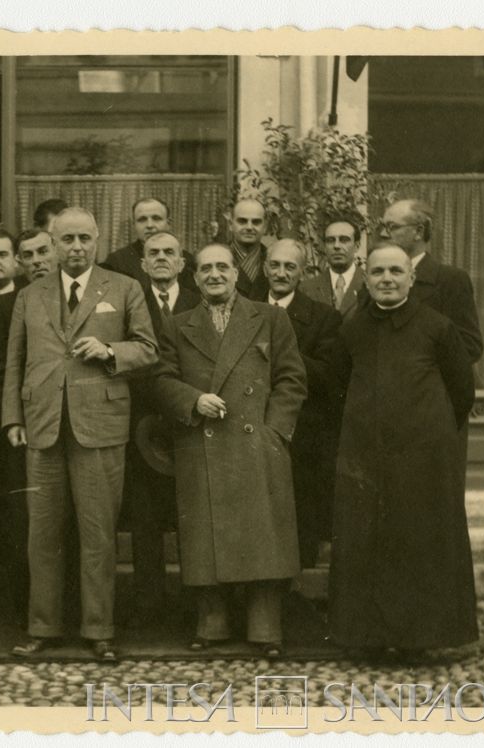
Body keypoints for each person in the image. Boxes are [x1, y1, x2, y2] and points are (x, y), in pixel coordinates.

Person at [2, 207, 158, 661]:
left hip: (101, 425)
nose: (75, 248)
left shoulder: (124, 287)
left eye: (83, 239)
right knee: (42, 533)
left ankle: (99, 630)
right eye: (66, 239)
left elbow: (149, 349)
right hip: (43, 424)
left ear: (97, 240)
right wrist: (13, 417)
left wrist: (109, 349)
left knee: (98, 532)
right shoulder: (31, 295)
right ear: (51, 244)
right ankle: (43, 627)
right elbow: (16, 360)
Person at [152, 243, 306, 657]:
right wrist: (192, 401)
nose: (215, 274)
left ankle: (265, 628)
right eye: (206, 269)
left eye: (223, 267)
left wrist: (275, 432)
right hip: (201, 441)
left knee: (263, 538)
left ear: (237, 275)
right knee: (205, 536)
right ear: (195, 277)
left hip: (258, 443)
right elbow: (162, 379)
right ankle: (212, 623)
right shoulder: (177, 325)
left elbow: (292, 379)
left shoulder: (271, 318)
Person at [329, 244, 477, 658]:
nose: (387, 279)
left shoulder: (437, 327)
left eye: (396, 271)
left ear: (411, 278)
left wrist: (431, 434)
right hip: (366, 458)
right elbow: (341, 384)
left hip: (424, 459)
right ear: (367, 278)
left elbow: (462, 391)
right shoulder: (353, 329)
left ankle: (421, 640)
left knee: (419, 541)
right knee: (367, 541)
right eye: (378, 272)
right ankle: (368, 639)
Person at [0, 228, 58, 621]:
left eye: (45, 251)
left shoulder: (45, 298)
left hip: (44, 419)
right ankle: (8, 606)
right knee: (5, 513)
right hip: (1, 423)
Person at [119, 231, 199, 627]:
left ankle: (194, 603)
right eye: (154, 254)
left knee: (193, 517)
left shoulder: (199, 299)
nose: (162, 258)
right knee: (145, 518)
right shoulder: (129, 300)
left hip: (189, 422)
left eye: (170, 252)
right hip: (140, 424)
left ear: (183, 262)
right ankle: (148, 604)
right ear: (143, 264)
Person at [263, 239, 344, 569]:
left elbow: (329, 376)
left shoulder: (324, 318)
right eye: (275, 265)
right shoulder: (244, 309)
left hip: (302, 437)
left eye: (290, 267)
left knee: (301, 520)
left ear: (302, 272)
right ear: (266, 268)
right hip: (252, 431)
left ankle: (300, 598)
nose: (281, 273)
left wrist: (282, 354)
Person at [376, 199, 483, 364]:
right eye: (382, 227)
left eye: (392, 227)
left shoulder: (450, 280)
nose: (383, 234)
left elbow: (470, 346)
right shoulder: (375, 279)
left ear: (418, 232)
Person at [102, 197, 196, 293]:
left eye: (156, 218)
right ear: (134, 225)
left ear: (168, 223)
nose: (149, 225)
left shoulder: (187, 260)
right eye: (142, 220)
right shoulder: (117, 261)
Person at [302, 216, 366, 320]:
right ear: (324, 247)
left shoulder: (370, 285)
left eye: (344, 240)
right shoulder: (307, 288)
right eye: (330, 240)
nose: (336, 246)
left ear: (357, 246)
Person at [227, 199, 271, 301]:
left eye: (256, 222)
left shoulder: (275, 261)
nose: (249, 227)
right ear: (230, 224)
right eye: (242, 221)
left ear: (265, 226)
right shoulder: (215, 258)